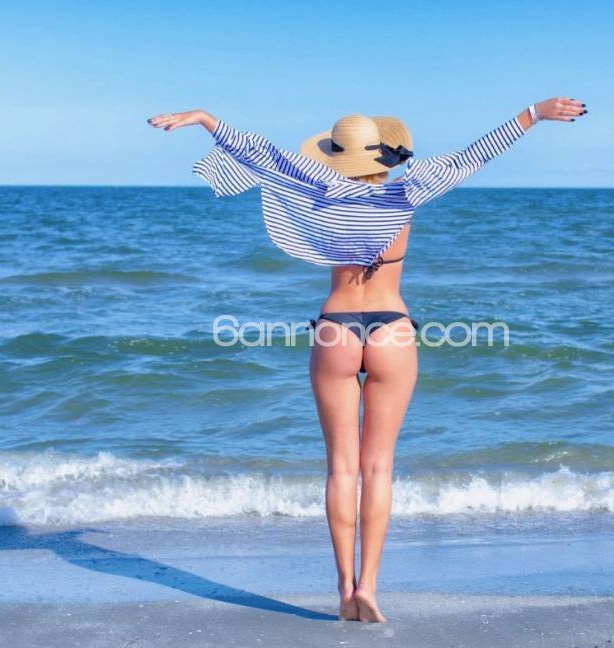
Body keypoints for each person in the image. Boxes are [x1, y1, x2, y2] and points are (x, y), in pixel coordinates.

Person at [148, 97, 586, 621]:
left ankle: (344, 588)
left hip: (336, 327)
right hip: (392, 329)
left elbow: (260, 152)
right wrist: (533, 113)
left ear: (336, 156)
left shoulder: (318, 188)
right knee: (378, 468)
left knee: (341, 468)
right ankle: (370, 588)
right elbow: (476, 155)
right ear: (381, 155)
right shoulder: (409, 189)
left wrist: (205, 120)